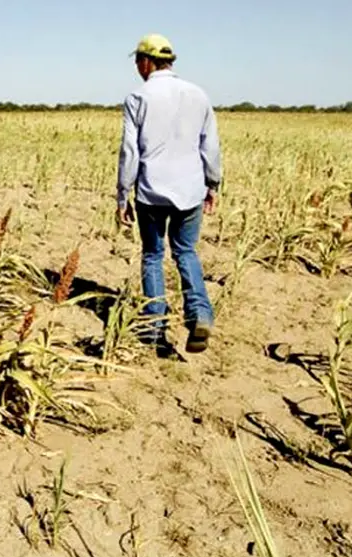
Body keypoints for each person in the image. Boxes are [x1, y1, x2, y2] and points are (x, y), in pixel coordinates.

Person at [115, 33, 222, 354]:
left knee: (152, 255)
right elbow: (210, 145)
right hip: (190, 190)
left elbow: (129, 152)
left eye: (137, 60)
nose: (136, 66)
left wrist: (122, 194)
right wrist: (212, 184)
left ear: (147, 62)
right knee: (186, 252)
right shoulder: (198, 94)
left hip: (151, 192)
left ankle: (154, 326)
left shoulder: (138, 97)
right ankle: (200, 315)